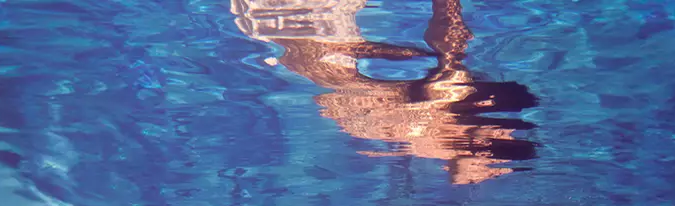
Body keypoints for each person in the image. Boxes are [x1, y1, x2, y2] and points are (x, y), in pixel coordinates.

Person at [231, 0, 540, 184]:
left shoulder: (443, 105)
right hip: (286, 38)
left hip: (296, 26)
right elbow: (459, 174)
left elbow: (447, 32)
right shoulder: (432, 125)